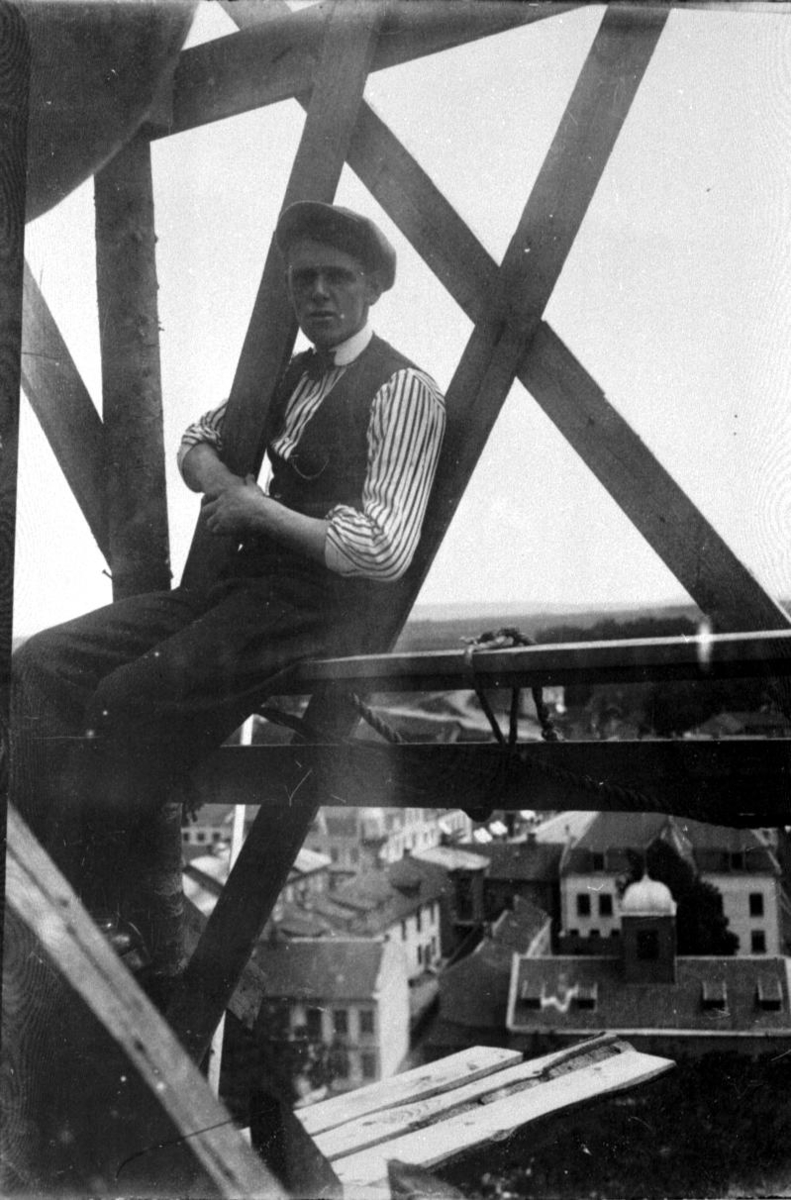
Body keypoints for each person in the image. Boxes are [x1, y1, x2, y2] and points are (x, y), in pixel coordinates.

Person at [11, 202, 446, 907]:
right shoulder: (290, 376)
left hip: (321, 611)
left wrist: (255, 510)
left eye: (337, 277)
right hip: (245, 595)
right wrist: (231, 491)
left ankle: (91, 908)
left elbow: (382, 548)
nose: (318, 294)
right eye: (303, 279)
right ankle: (29, 888)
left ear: (372, 287)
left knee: (128, 697)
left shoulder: (404, 390)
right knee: (44, 662)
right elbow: (195, 443)